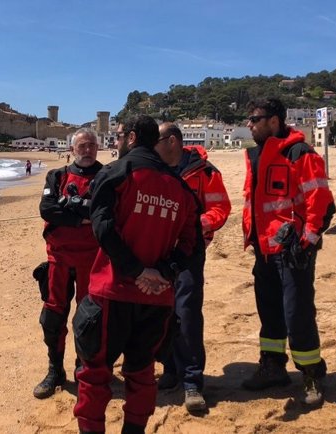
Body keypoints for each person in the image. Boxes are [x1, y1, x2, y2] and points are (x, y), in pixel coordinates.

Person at [73, 115, 202, 433]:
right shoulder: (180, 188)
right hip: (157, 298)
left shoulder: (115, 173)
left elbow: (102, 227)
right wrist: (163, 271)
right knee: (142, 372)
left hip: (112, 293)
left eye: (117, 136)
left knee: (94, 373)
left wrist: (135, 270)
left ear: (131, 138)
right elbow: (192, 245)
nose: (113, 142)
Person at [241, 98, 336, 406]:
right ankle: (272, 366)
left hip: (292, 251)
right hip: (264, 250)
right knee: (269, 315)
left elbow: (320, 201)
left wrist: (306, 242)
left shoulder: (300, 154)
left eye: (255, 119)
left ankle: (311, 374)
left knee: (298, 315)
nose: (249, 124)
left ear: (274, 121)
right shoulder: (255, 156)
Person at [153, 123, 231, 412]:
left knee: (186, 313)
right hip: (158, 253)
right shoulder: (154, 169)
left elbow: (221, 208)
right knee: (162, 313)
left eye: (157, 141)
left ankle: (192, 382)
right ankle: (170, 368)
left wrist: (195, 226)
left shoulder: (205, 172)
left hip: (189, 252)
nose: (152, 146)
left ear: (172, 141)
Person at [33, 128, 103, 399]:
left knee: (90, 319)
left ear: (97, 148)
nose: (87, 150)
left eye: (92, 146)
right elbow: (47, 209)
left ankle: (83, 367)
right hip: (58, 259)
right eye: (82, 146)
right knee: (52, 317)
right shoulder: (57, 175)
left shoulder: (106, 176)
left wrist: (73, 207)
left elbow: (105, 211)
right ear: (73, 148)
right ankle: (55, 370)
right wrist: (82, 216)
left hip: (93, 259)